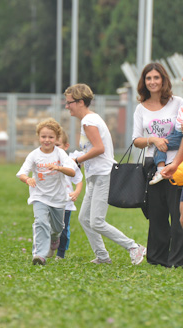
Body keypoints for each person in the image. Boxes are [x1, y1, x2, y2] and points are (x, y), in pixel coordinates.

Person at [65, 83, 146, 265]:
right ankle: (102, 256)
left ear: (79, 102)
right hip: (95, 175)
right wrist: (79, 157)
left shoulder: (89, 122)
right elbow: (94, 148)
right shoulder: (89, 120)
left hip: (103, 175)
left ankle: (134, 247)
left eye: (69, 102)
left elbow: (100, 149)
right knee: (84, 218)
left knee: (97, 221)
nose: (67, 106)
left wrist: (78, 161)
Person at [132, 64, 183, 267]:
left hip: (177, 166)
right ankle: (157, 258)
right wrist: (152, 140)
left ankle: (177, 259)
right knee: (157, 214)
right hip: (153, 166)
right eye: (148, 78)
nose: (152, 82)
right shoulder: (140, 108)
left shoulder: (177, 102)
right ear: (144, 82)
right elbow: (136, 140)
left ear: (164, 79)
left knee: (177, 213)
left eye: (156, 77)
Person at [16, 119, 74, 265]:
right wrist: (27, 179)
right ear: (38, 137)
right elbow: (22, 173)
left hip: (58, 198)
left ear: (56, 138)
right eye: (43, 136)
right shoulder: (34, 155)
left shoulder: (60, 154)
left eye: (51, 137)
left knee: (57, 228)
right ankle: (39, 255)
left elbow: (72, 172)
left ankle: (54, 238)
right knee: (40, 222)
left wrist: (59, 168)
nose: (47, 140)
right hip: (39, 196)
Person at [54, 130, 83, 260]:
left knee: (63, 230)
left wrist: (76, 192)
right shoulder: (45, 161)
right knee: (47, 227)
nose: (55, 148)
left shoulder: (69, 162)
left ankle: (60, 254)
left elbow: (79, 180)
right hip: (50, 201)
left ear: (66, 146)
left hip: (66, 202)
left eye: (58, 145)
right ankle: (45, 248)